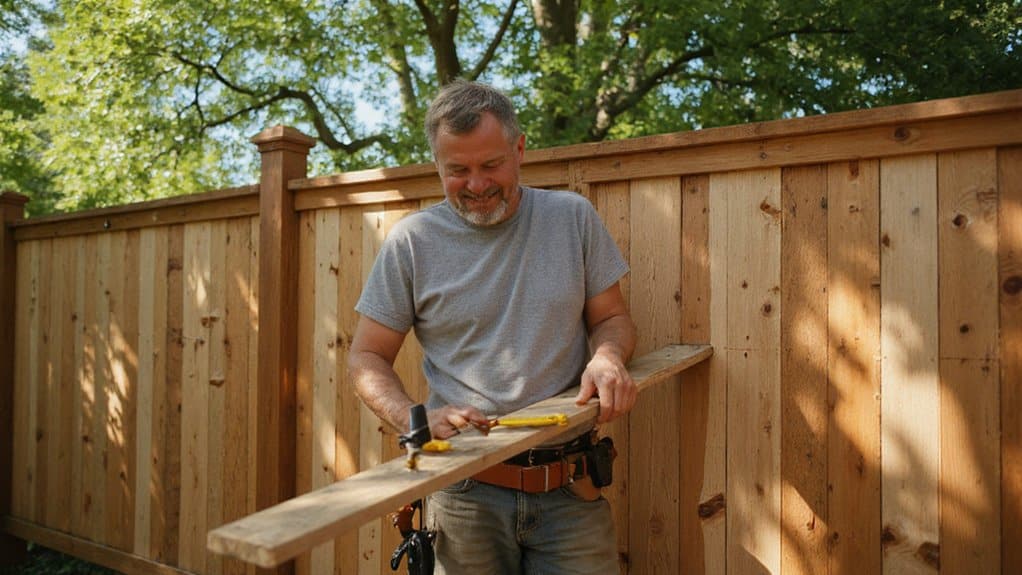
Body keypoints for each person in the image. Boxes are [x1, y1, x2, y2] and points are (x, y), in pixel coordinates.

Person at [348, 79, 637, 574]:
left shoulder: (572, 218)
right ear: (436, 164)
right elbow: (366, 356)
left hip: (570, 484)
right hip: (462, 496)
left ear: (520, 149)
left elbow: (611, 318)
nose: (476, 185)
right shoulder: (411, 241)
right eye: (457, 170)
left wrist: (607, 357)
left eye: (491, 165)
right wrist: (414, 419)